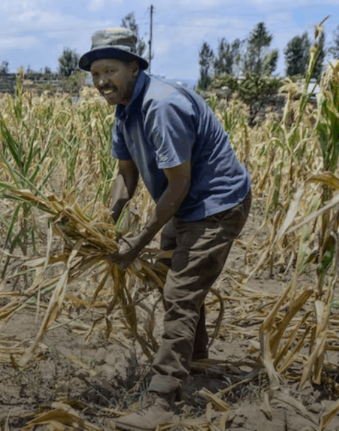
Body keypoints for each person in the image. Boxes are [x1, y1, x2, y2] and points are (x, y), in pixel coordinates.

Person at [78, 28, 252, 431]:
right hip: (185, 205)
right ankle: (198, 366)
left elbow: (179, 184)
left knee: (179, 294)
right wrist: (105, 224)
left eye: (111, 69)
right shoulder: (124, 110)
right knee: (176, 286)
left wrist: (138, 241)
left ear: (134, 68)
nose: (102, 80)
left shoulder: (161, 107)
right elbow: (126, 176)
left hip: (216, 205)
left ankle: (162, 401)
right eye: (96, 73)